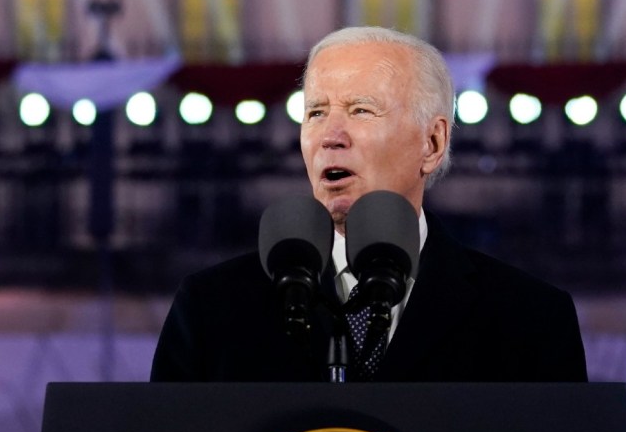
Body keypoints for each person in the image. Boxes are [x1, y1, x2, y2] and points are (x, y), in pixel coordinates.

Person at [151, 26, 587, 382]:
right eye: (316, 112)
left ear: (432, 143)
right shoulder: (212, 310)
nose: (330, 136)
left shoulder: (530, 319)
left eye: (361, 110)